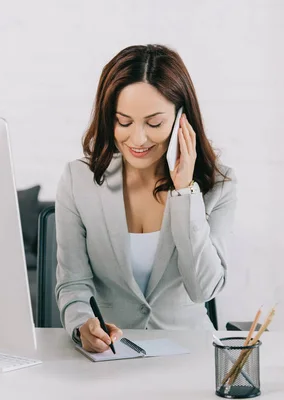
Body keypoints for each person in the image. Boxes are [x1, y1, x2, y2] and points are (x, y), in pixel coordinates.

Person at [55, 44, 237, 353]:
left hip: (191, 352)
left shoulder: (218, 185)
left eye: (154, 123)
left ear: (182, 118)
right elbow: (72, 282)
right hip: (111, 354)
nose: (137, 139)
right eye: (123, 122)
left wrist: (184, 192)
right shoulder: (78, 180)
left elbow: (203, 288)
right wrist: (81, 325)